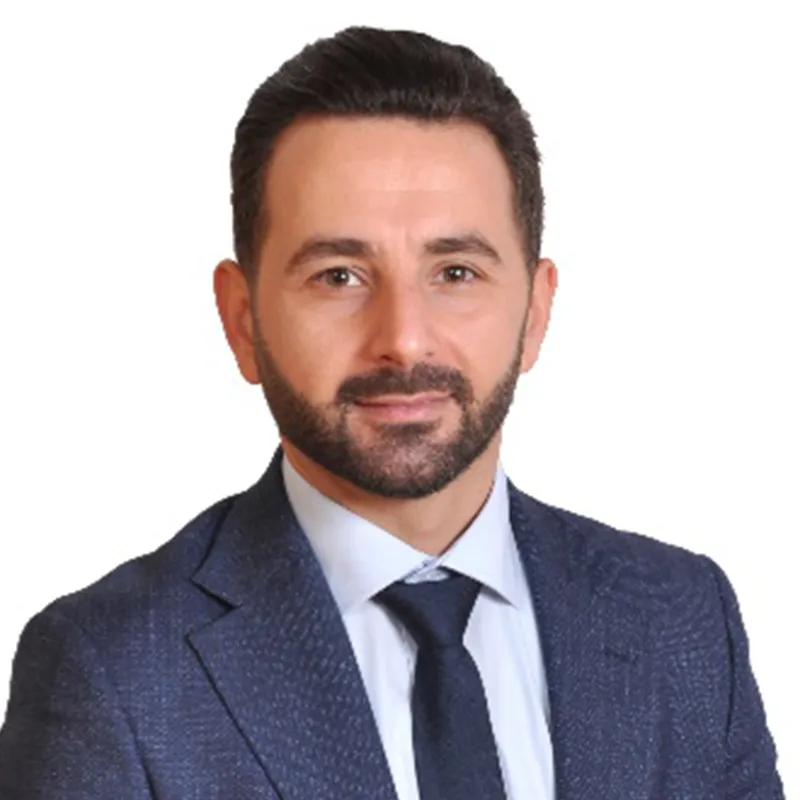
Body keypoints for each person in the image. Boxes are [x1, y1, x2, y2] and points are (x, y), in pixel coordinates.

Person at [0, 24, 783, 800]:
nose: (403, 339)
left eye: (455, 271)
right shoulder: (112, 671)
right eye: (339, 275)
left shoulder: (681, 618)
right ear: (242, 320)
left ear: (537, 310)